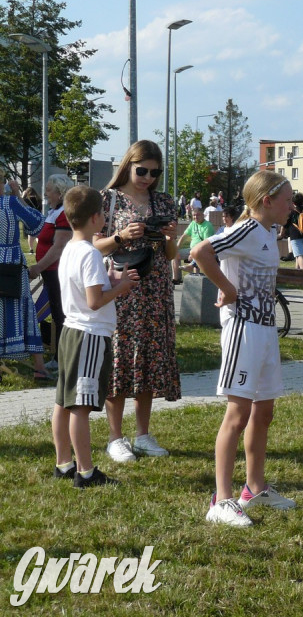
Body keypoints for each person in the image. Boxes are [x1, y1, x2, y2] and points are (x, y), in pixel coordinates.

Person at [192, 171, 297, 526]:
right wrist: (227, 287)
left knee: (263, 413)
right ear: (267, 201)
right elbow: (200, 251)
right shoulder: (248, 228)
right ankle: (221, 500)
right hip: (243, 329)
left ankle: (254, 488)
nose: (292, 206)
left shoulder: (268, 232)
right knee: (237, 415)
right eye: (288, 200)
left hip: (265, 331)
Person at [96, 140, 180, 463]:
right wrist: (121, 237)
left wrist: (170, 237)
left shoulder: (163, 202)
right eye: (141, 170)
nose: (147, 177)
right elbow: (94, 245)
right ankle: (115, 438)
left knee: (148, 357)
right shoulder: (108, 199)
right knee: (120, 359)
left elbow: (171, 255)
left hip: (156, 289)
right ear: (128, 164)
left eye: (154, 172)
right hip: (122, 289)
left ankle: (142, 435)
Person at [52, 186, 140, 488]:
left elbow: (85, 290)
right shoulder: (90, 253)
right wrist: (121, 286)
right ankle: (86, 472)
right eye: (104, 213)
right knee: (81, 406)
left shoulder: (70, 250)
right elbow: (93, 301)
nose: (106, 217)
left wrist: (110, 281)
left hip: (70, 332)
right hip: (89, 336)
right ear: (95, 218)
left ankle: (64, 463)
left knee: (63, 402)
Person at [0, 170, 50, 381]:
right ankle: (39, 368)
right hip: (11, 264)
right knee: (24, 311)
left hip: (9, 264)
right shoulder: (10, 203)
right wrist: (17, 196)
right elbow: (39, 224)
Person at [28, 174, 75, 373]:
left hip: (57, 271)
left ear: (59, 192)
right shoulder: (55, 211)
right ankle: (60, 356)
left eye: (48, 189)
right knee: (57, 315)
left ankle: (64, 358)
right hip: (50, 271)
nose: (45, 193)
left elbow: (59, 247)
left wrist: (38, 267)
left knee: (61, 315)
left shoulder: (64, 213)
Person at [175, 205, 216, 282]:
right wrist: (176, 248)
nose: (195, 217)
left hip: (203, 251)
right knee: (175, 254)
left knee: (196, 255)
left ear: (203, 215)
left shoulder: (207, 226)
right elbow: (184, 237)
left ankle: (195, 281)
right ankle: (176, 279)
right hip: (191, 250)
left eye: (198, 215)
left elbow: (205, 244)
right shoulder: (193, 223)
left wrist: (193, 253)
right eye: (194, 215)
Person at [22, 187, 42, 254]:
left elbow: (21, 204)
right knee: (38, 234)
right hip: (38, 217)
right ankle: (41, 246)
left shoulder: (26, 200)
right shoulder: (39, 199)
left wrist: (23, 195)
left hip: (30, 218)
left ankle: (31, 249)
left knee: (30, 235)